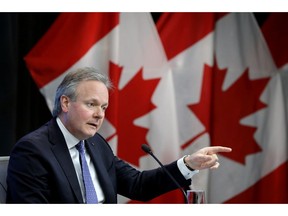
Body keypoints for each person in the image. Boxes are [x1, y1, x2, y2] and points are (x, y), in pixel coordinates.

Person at [6, 67, 232, 203]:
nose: (99, 114)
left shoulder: (96, 144)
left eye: (103, 107)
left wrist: (188, 164)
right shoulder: (33, 150)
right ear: (65, 103)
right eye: (91, 104)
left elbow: (138, 185)